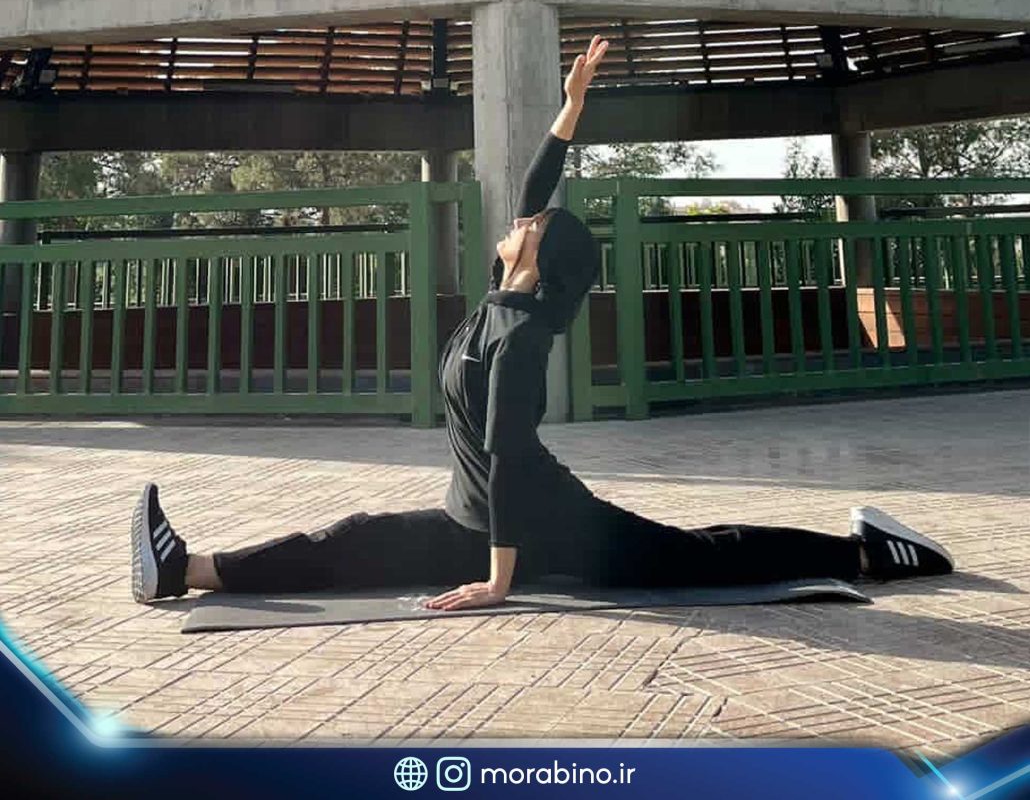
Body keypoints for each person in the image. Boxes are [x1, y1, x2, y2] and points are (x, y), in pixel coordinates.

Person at [131, 35, 954, 610]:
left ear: (534, 255)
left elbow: (510, 458)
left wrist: (498, 581)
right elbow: (535, 188)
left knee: (703, 553)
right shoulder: (506, 297)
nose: (519, 216)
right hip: (470, 518)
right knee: (351, 539)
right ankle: (186, 569)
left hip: (561, 530)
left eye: (529, 223)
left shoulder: (520, 337)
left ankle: (872, 552)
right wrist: (572, 106)